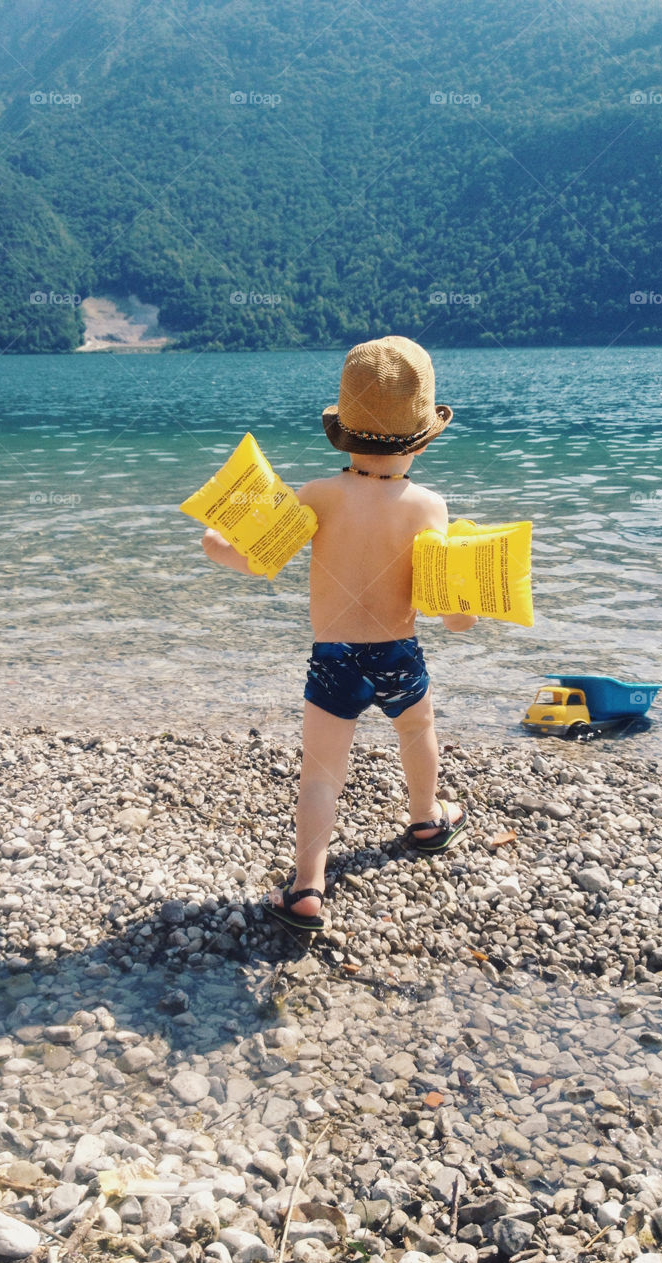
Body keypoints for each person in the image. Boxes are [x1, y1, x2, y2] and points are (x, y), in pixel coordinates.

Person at [201, 336, 475, 931]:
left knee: (322, 772)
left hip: (334, 658)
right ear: (424, 437)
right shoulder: (429, 506)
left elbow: (259, 558)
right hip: (399, 652)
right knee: (418, 728)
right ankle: (427, 819)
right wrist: (467, 613)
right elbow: (448, 606)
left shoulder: (319, 495)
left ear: (345, 432)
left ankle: (306, 887)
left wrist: (215, 544)